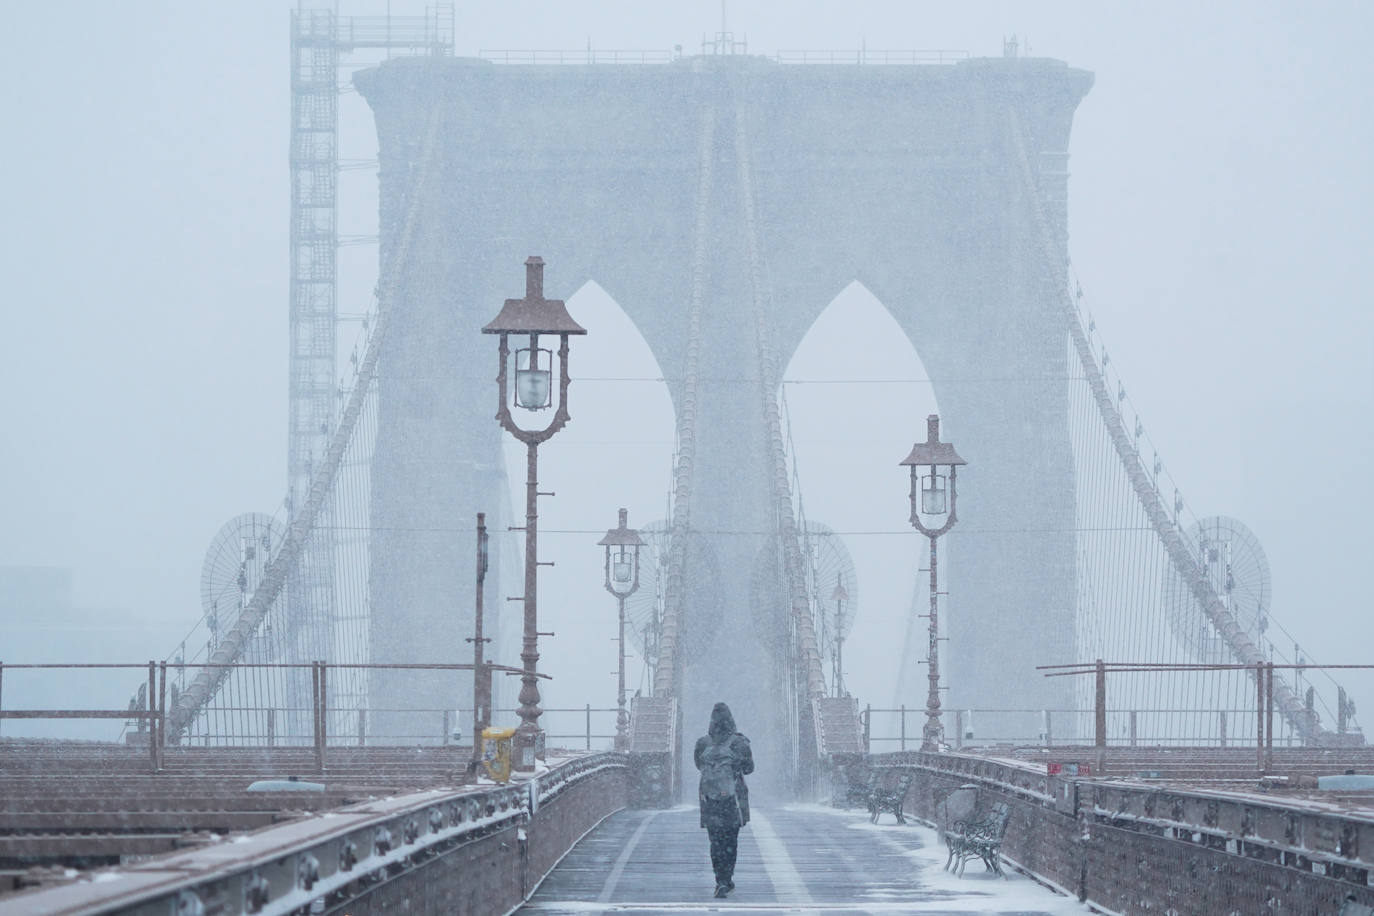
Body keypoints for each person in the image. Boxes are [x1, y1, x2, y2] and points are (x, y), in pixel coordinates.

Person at [694, 701, 754, 898]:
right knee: (730, 840)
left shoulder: (702, 743)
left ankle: (718, 879)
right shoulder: (739, 742)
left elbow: (698, 765)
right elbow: (749, 769)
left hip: (710, 800)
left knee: (715, 841)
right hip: (732, 800)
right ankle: (727, 879)